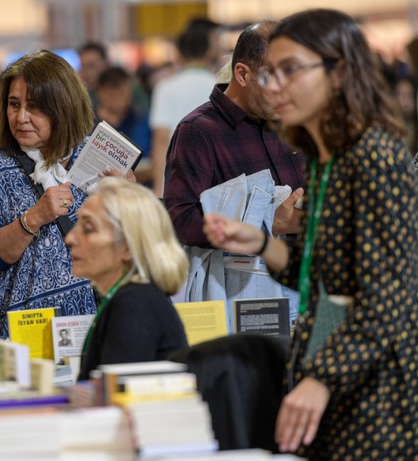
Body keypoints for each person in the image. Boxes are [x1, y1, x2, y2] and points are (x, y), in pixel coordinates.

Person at [203, 9, 416, 459]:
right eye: (270, 73)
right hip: (328, 370)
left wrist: (322, 380)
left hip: (376, 391)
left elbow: (390, 297)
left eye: (290, 70)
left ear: (338, 73)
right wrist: (262, 243)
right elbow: (320, 272)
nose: (274, 85)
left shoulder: (374, 157)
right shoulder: (325, 159)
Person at [163, 22, 306, 315]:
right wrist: (268, 222)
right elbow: (182, 222)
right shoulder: (198, 131)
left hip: (303, 293)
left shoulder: (292, 125)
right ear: (242, 74)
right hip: (238, 301)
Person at [0, 50, 98, 338]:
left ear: (63, 107)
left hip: (95, 322)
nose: (21, 117)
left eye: (35, 106)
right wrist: (34, 217)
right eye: (14, 105)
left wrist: (127, 193)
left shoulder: (93, 155)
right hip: (27, 330)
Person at [67, 178, 188, 381]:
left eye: (88, 229)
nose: (70, 238)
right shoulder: (130, 296)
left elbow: (115, 403)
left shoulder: (135, 304)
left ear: (127, 247)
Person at [147, 19, 219, 195]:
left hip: (176, 176)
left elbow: (161, 138)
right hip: (215, 175)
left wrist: (159, 186)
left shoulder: (165, 87)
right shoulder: (220, 85)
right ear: (209, 51)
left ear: (178, 52)